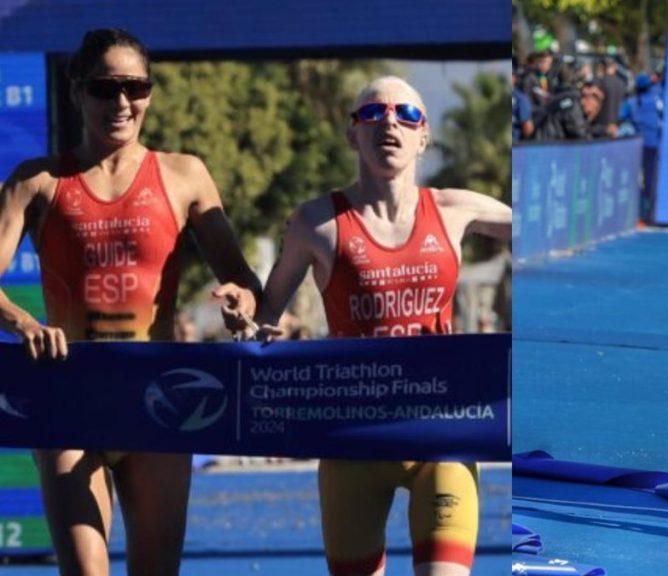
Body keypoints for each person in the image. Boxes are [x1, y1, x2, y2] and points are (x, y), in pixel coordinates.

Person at [0, 29, 260, 574]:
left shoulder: (184, 174)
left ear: (150, 93)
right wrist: (24, 322)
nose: (121, 102)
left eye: (135, 87)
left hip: (158, 396)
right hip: (70, 392)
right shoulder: (37, 182)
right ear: (78, 91)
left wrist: (241, 302)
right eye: (105, 87)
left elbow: (242, 280)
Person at [240, 76, 511, 575]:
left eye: (406, 114)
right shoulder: (316, 223)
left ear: (423, 136)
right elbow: (262, 320)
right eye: (373, 113)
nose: (390, 122)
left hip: (440, 438)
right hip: (353, 443)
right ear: (352, 134)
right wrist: (247, 317)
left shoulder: (455, 209)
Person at [619, 74, 664, 223]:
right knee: (650, 180)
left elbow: (621, 116)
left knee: (635, 179)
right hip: (654, 146)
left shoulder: (632, 103)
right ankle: (649, 213)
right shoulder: (658, 99)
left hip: (637, 146)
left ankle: (638, 212)